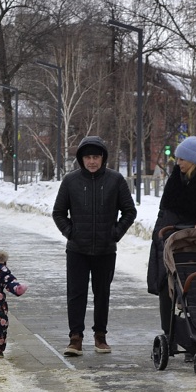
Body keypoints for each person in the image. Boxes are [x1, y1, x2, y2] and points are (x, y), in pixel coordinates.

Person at [52, 135, 137, 356]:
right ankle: (75, 338)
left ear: (103, 158)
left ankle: (100, 336)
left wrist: (115, 234)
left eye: (96, 157)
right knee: (76, 293)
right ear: (81, 159)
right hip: (77, 250)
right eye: (88, 157)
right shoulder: (70, 181)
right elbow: (58, 212)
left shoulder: (115, 180)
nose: (92, 161)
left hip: (105, 250)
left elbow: (130, 211)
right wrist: (71, 232)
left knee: (102, 294)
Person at [146, 135, 196, 335]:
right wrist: (158, 234)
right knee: (166, 286)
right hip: (169, 239)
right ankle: (169, 333)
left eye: (182, 159)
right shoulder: (175, 180)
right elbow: (163, 210)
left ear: (193, 159)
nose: (178, 162)